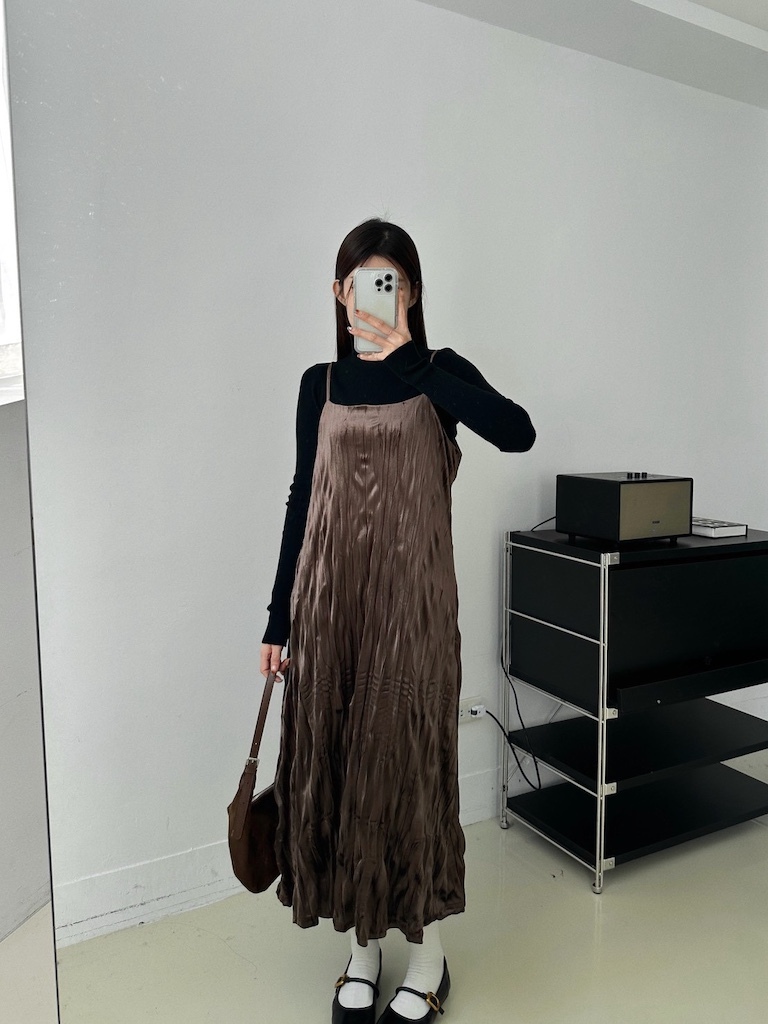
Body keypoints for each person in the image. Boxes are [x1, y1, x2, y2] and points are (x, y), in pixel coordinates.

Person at [260, 218, 535, 1024]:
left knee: (409, 774)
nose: (375, 297)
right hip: (329, 611)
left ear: (411, 293)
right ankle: (363, 951)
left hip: (412, 613)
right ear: (338, 292)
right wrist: (278, 619)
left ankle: (429, 959)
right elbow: (302, 499)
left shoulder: (439, 374)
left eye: (391, 282)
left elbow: (517, 432)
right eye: (361, 283)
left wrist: (414, 361)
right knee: (340, 766)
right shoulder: (318, 383)